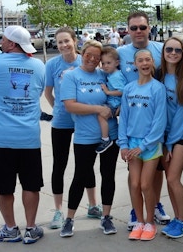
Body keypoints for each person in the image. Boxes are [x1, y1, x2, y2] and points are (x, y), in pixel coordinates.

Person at [0, 25, 45, 244]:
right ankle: (31, 228)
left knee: (3, 186)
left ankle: (11, 229)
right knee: (31, 185)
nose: (0, 43)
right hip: (29, 137)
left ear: (11, 43)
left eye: (3, 40)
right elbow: (37, 92)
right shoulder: (38, 65)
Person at [59, 40, 120, 238]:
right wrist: (97, 109)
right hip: (85, 137)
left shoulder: (104, 74)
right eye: (89, 55)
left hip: (109, 136)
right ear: (82, 53)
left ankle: (107, 216)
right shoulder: (72, 76)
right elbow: (70, 106)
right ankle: (69, 219)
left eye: (97, 56)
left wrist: (115, 109)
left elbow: (118, 97)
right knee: (80, 176)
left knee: (108, 175)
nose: (93, 59)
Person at [117, 11, 171, 230]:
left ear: (149, 28)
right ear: (128, 31)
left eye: (142, 27)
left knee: (154, 174)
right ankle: (138, 212)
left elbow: (178, 66)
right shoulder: (120, 53)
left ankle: (154, 207)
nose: (138, 31)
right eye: (133, 28)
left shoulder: (161, 49)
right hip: (132, 128)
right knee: (136, 180)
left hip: (154, 127)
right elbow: (101, 63)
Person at [44, 27, 102, 230]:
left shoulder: (84, 61)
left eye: (66, 41)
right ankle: (59, 210)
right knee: (59, 165)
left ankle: (93, 205)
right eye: (59, 42)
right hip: (61, 121)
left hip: (84, 122)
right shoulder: (52, 65)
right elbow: (48, 92)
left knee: (84, 164)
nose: (63, 45)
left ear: (75, 41)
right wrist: (58, 109)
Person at [157, 37, 183, 239]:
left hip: (182, 136)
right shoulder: (159, 76)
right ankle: (177, 218)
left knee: (173, 177)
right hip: (165, 136)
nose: (173, 53)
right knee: (168, 179)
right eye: (169, 49)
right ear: (163, 52)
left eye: (178, 50)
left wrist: (171, 142)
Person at [96, 46, 126, 154]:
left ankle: (105, 139)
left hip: (114, 104)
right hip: (114, 103)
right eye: (103, 63)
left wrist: (108, 92)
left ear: (117, 63)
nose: (105, 66)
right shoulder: (112, 74)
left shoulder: (115, 76)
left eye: (108, 63)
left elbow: (122, 91)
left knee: (101, 115)